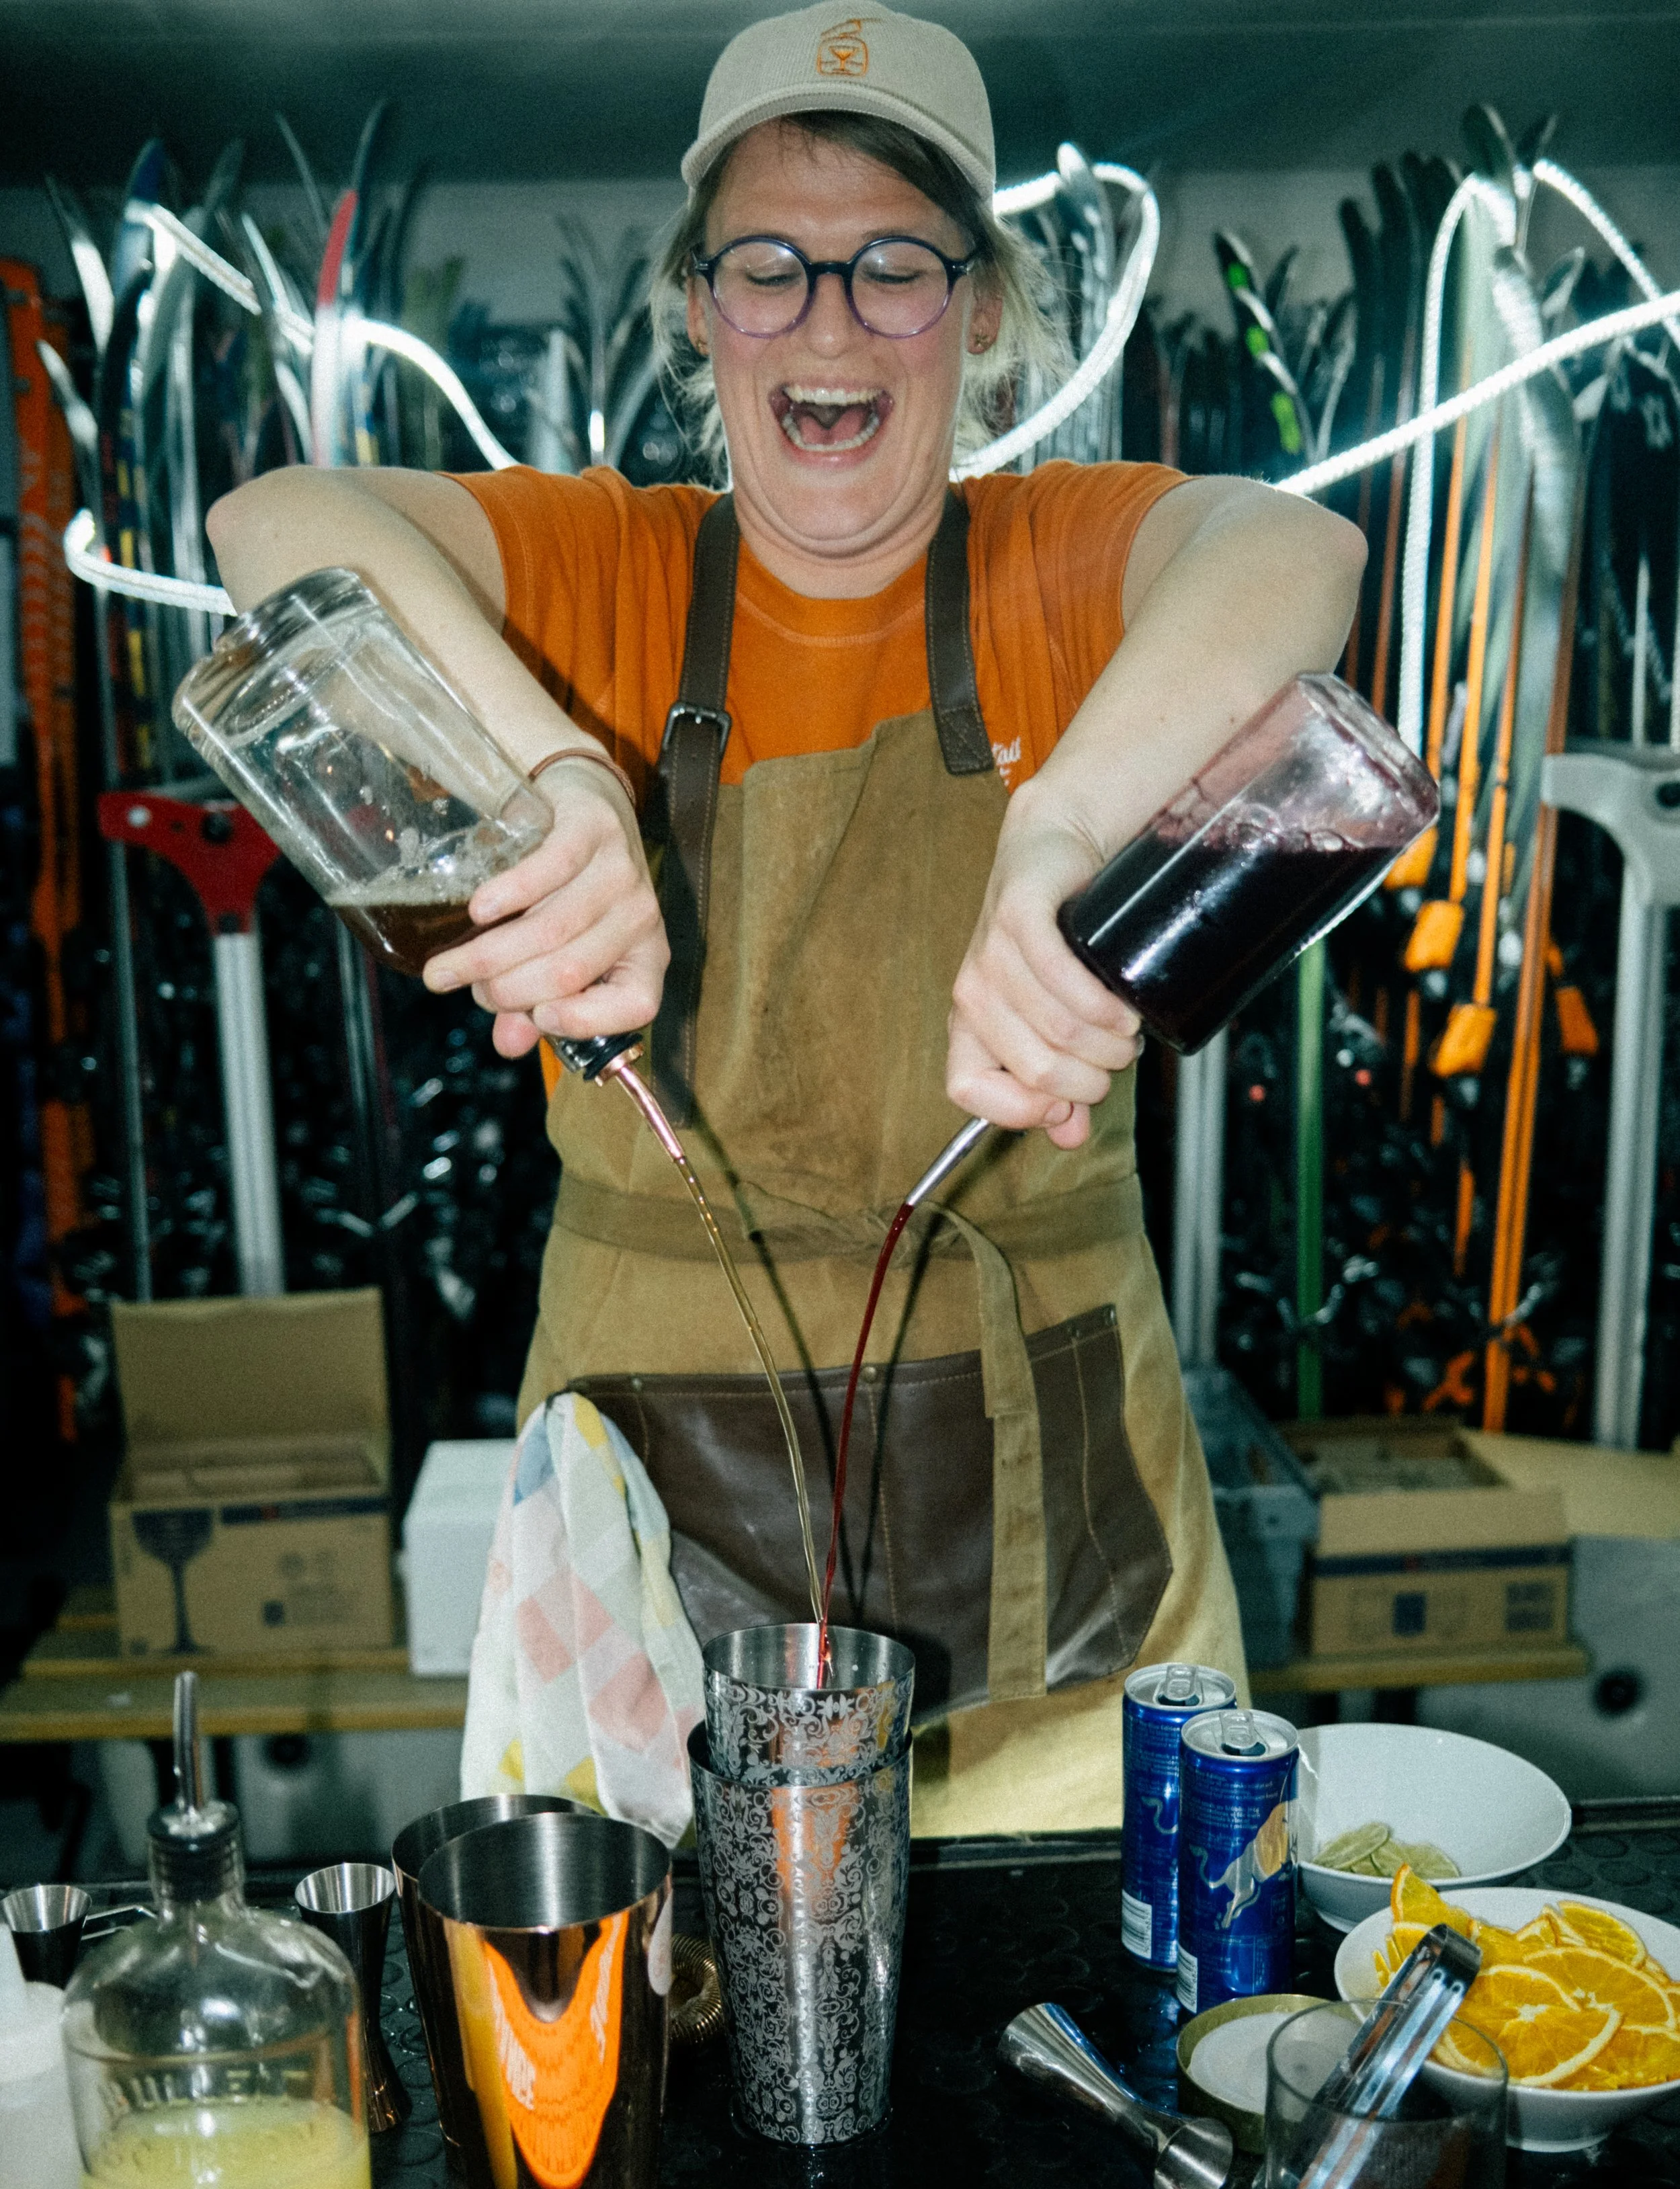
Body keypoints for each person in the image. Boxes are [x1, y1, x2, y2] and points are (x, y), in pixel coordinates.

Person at [208, 3, 1363, 1832]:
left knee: (1093, 1967)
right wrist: (558, 774)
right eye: (768, 267)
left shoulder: (1056, 564)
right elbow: (275, 520)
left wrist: (1064, 823)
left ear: (982, 307)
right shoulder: (606, 574)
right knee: (642, 1998)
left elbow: (1300, 552)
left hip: (1056, 1531)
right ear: (698, 306)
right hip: (649, 1549)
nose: (829, 325)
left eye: (895, 266)